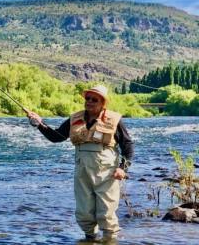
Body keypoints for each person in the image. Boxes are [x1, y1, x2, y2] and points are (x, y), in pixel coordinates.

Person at [26, 85, 134, 242]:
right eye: (87, 98)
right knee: (84, 213)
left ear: (103, 103)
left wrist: (123, 168)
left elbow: (128, 145)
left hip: (107, 174)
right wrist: (40, 124)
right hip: (82, 172)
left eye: (94, 99)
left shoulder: (115, 120)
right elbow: (56, 136)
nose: (89, 102)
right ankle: (89, 239)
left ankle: (110, 240)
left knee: (106, 214)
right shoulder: (74, 118)